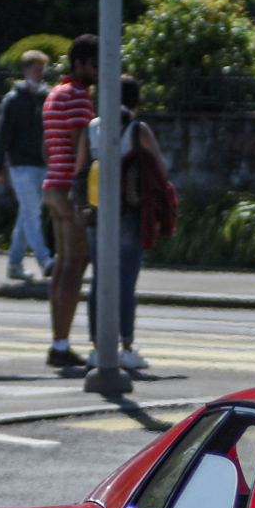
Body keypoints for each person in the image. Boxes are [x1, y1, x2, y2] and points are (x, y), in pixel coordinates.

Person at [71, 75, 172, 371]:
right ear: (135, 101)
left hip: (96, 211)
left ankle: (98, 348)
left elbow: (80, 169)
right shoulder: (136, 128)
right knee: (125, 282)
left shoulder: (92, 127)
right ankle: (126, 346)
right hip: (130, 210)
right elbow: (161, 169)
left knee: (100, 281)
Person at [39, 35, 99, 368]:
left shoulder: (53, 95)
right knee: (76, 265)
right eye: (93, 65)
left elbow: (48, 148)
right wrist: (86, 190)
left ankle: (58, 340)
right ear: (79, 64)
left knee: (63, 265)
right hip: (71, 187)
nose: (96, 71)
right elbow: (83, 146)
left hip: (52, 184)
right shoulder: (78, 97)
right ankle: (60, 345)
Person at [0, 49, 51, 282]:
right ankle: (45, 259)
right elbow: (3, 133)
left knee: (27, 214)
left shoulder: (46, 98)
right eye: (36, 69)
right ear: (26, 70)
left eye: (42, 69)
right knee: (33, 213)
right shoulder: (14, 100)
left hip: (41, 163)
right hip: (20, 165)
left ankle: (14, 264)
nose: (39, 73)